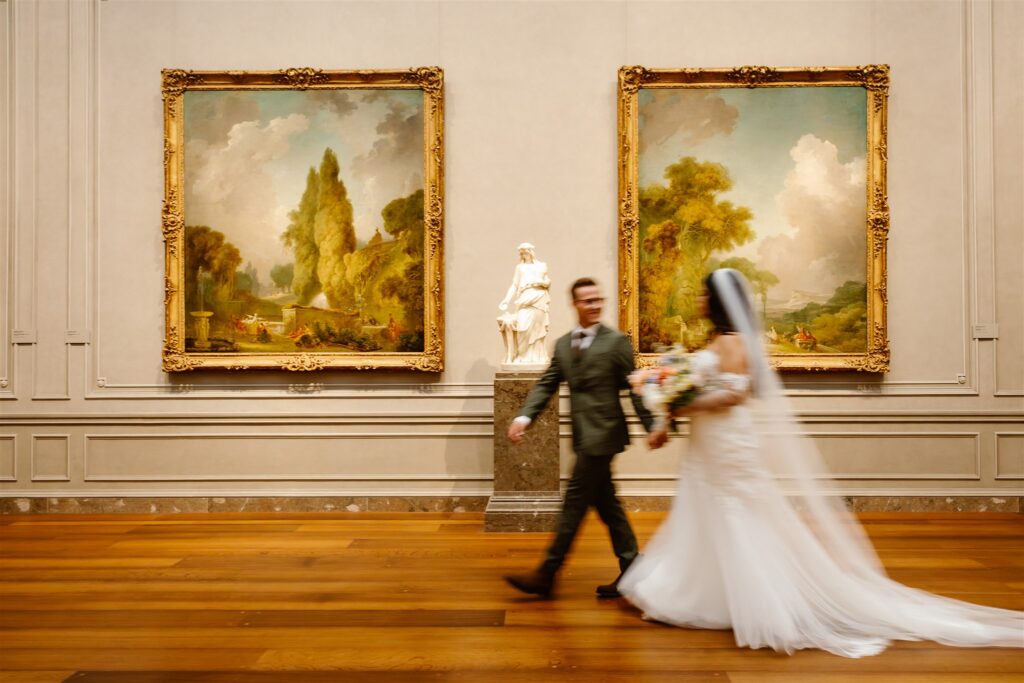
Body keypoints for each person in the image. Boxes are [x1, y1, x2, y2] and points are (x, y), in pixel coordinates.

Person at [620, 268, 1023, 657]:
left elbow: (733, 396)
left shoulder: (732, 342)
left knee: (734, 513)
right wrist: (672, 405)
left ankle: (745, 599)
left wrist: (680, 403)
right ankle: (709, 591)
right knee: (709, 510)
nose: (699, 298)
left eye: (705, 293)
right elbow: (707, 388)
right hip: (713, 442)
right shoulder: (722, 340)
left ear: (720, 301)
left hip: (726, 442)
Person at [504, 277, 668, 598]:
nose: (595, 306)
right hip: (583, 436)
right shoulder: (563, 345)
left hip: (605, 436)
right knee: (607, 505)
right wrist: (524, 416)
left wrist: (652, 425)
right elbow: (547, 384)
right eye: (587, 301)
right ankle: (633, 568)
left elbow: (635, 389)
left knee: (574, 504)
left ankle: (547, 573)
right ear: (575, 304)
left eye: (598, 300)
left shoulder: (617, 343)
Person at [497, 243, 551, 366]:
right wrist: (506, 299)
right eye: (522, 253)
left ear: (531, 252)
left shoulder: (542, 266)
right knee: (522, 328)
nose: (524, 255)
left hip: (539, 299)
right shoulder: (519, 268)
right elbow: (515, 285)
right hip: (524, 298)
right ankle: (522, 356)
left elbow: (547, 281)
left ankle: (537, 357)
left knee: (537, 329)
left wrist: (540, 282)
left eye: (526, 252)